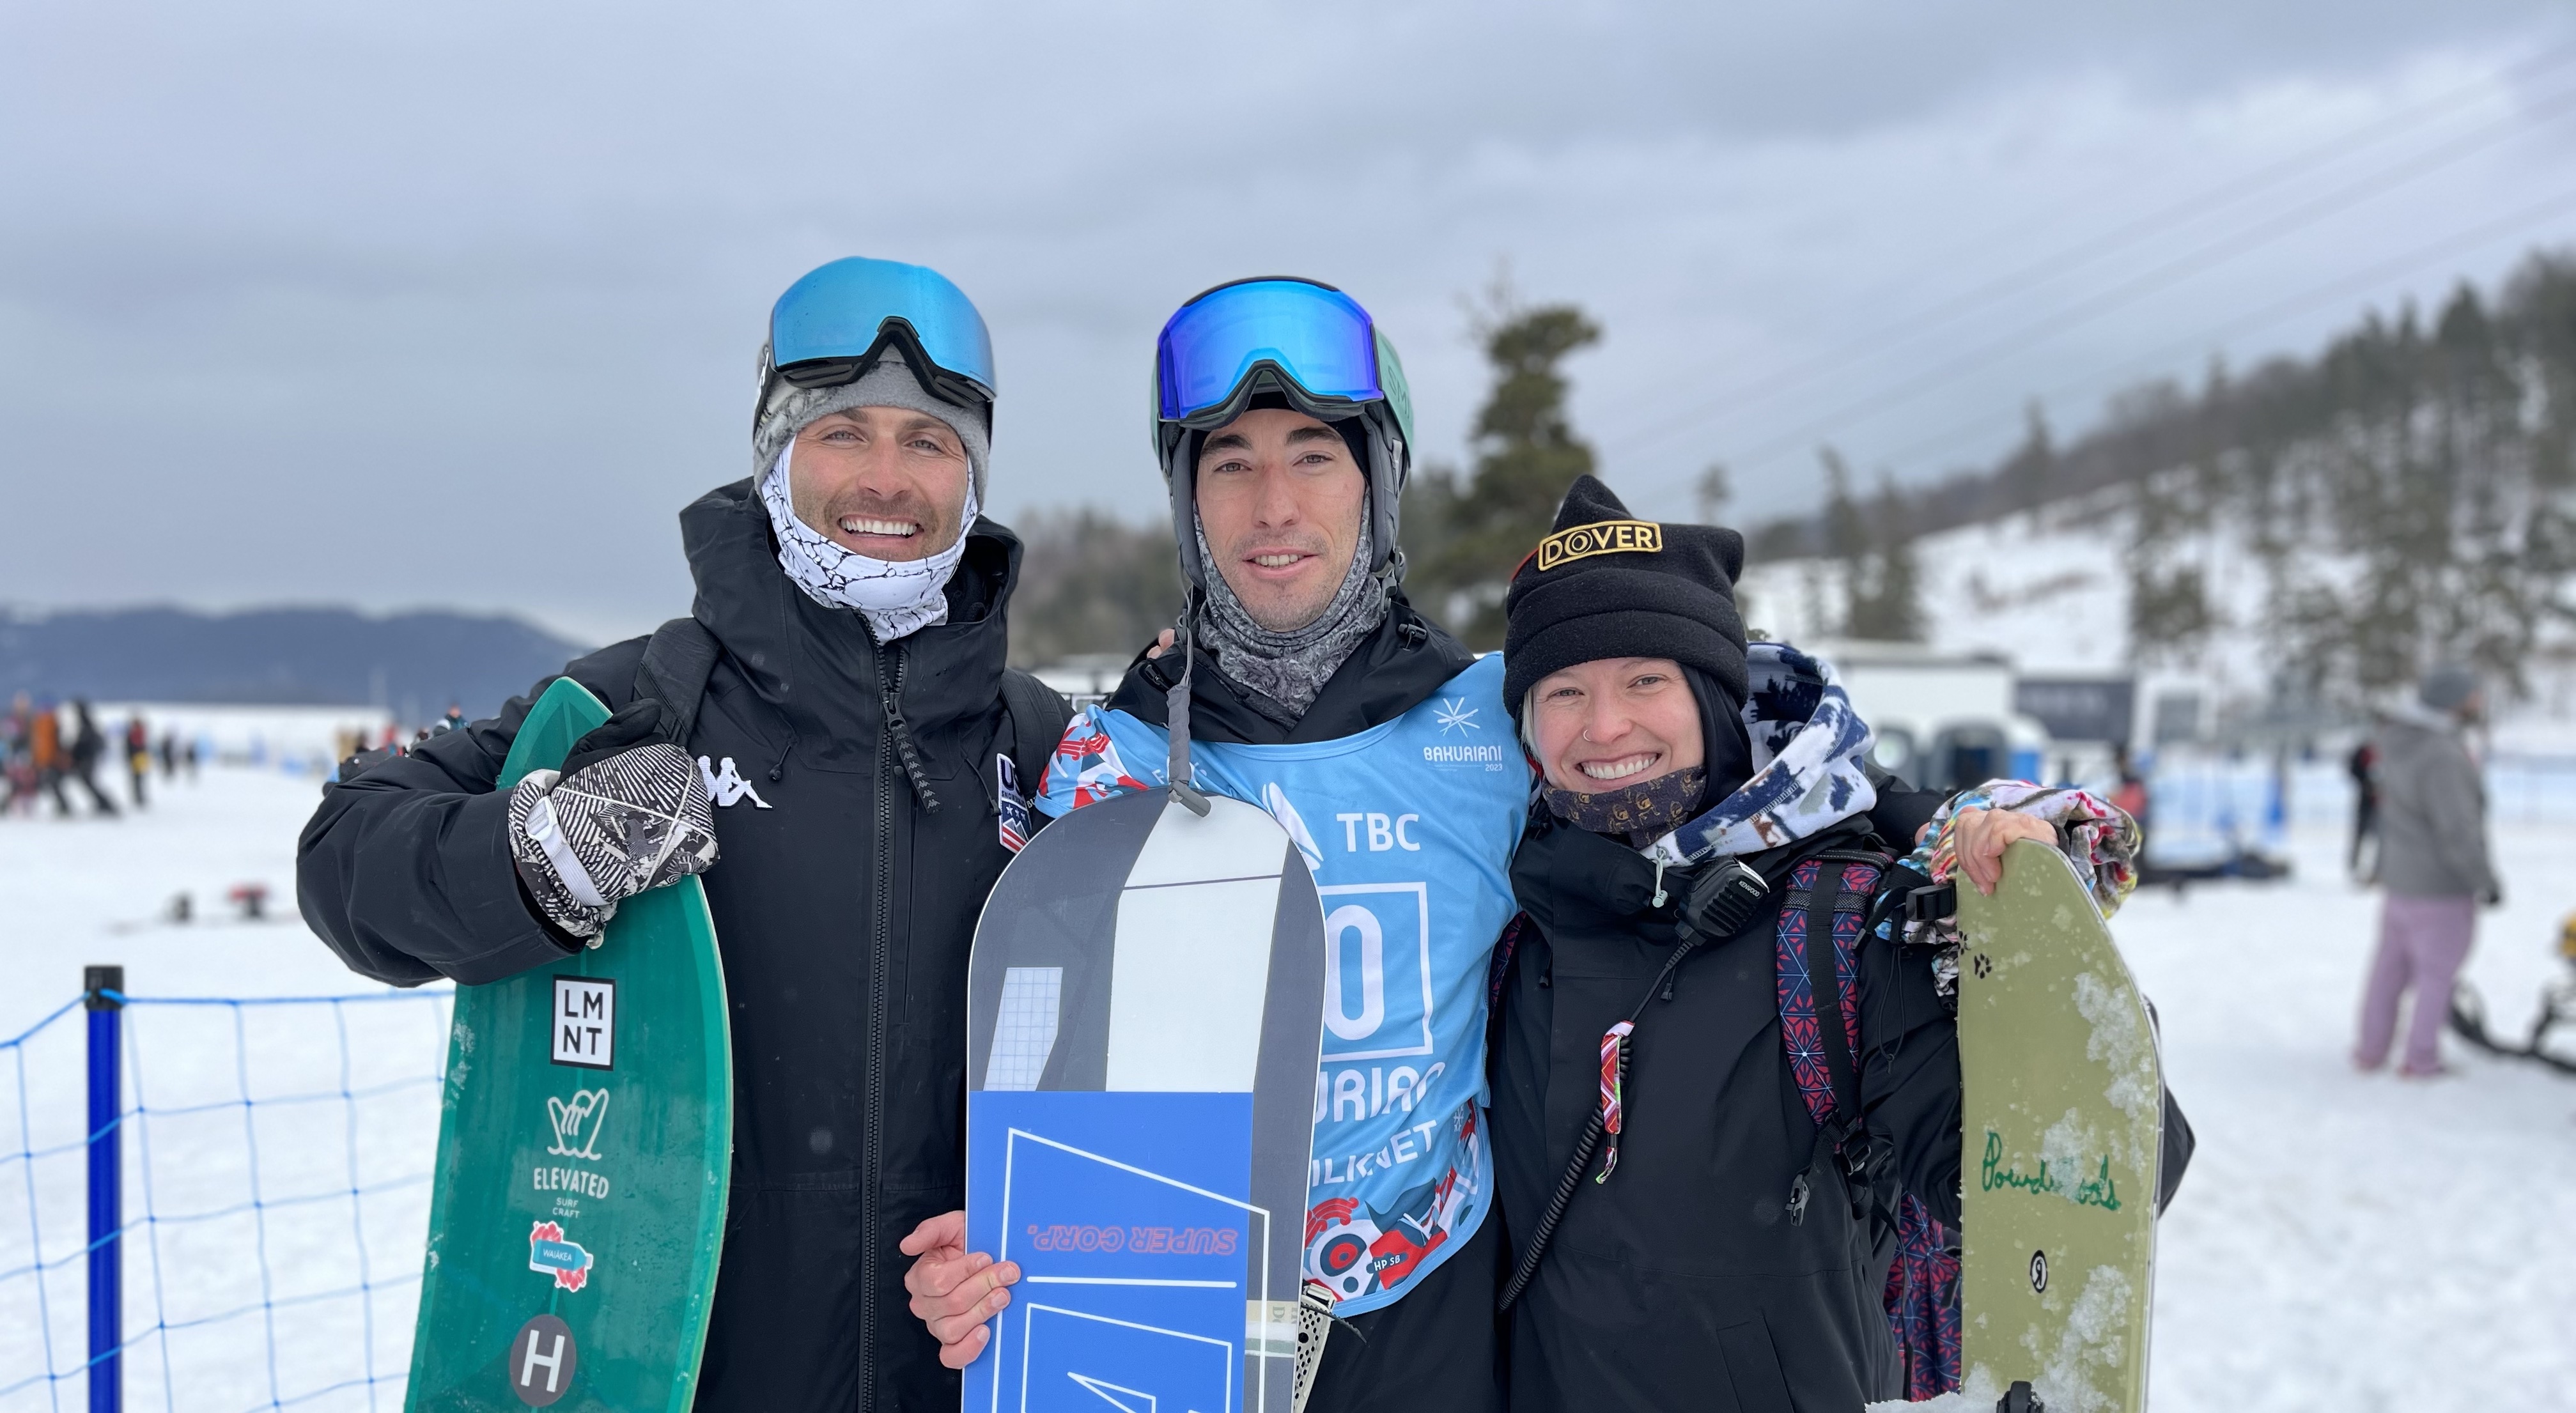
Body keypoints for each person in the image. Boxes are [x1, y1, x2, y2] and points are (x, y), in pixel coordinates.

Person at [297, 256, 1067, 1412]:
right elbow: (346, 854)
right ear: (775, 452)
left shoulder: (1039, 747)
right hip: (680, 1363)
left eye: (931, 440)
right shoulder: (637, 708)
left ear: (972, 476)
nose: (886, 478)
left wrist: (1038, 1238)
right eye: (843, 432)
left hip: (955, 1366)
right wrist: (540, 857)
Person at [900, 275, 1530, 1409]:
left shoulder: (1493, 727)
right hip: (1181, 1319)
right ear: (1189, 503)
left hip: (1429, 1316)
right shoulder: (1114, 765)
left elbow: (1719, 790)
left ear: (1379, 486)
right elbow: (1038, 1066)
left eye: (1314, 456)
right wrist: (982, 1253)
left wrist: (1946, 831)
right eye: (1230, 463)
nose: (1272, 504)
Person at [1487, 477, 2193, 1409]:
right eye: (1564, 690)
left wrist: (2027, 951)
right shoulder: (1506, 911)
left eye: (1645, 680)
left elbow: (2095, 1178)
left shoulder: (1838, 923)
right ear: (1529, 732)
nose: (1604, 724)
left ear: (1713, 696)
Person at [2355, 663, 2498, 1078]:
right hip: (2440, 885)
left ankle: (2371, 1048)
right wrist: (2482, 878)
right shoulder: (2442, 754)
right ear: (2455, 699)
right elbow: (2458, 826)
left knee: (2388, 970)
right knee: (2437, 976)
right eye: (2474, 692)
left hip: (2401, 880)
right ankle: (2421, 1057)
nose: (2479, 699)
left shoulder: (2400, 741)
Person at [65, 700, 120, 816]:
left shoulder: (84, 723)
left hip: (87, 760)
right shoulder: (87, 722)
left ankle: (105, 803)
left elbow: (83, 745)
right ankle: (103, 803)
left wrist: (76, 755)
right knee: (88, 782)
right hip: (88, 759)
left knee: (89, 782)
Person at [2347, 736, 2379, 879]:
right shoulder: (2363, 750)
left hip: (2386, 803)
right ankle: (2355, 867)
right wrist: (2365, 785)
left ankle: (2378, 872)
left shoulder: (2390, 750)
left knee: (2384, 839)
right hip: (2366, 800)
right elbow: (2353, 770)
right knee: (2361, 835)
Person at [125, 714, 151, 808]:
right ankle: (139, 797)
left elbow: (132, 747)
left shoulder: (135, 733)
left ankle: (138, 797)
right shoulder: (140, 733)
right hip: (139, 757)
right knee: (139, 778)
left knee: (137, 778)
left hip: (136, 758)